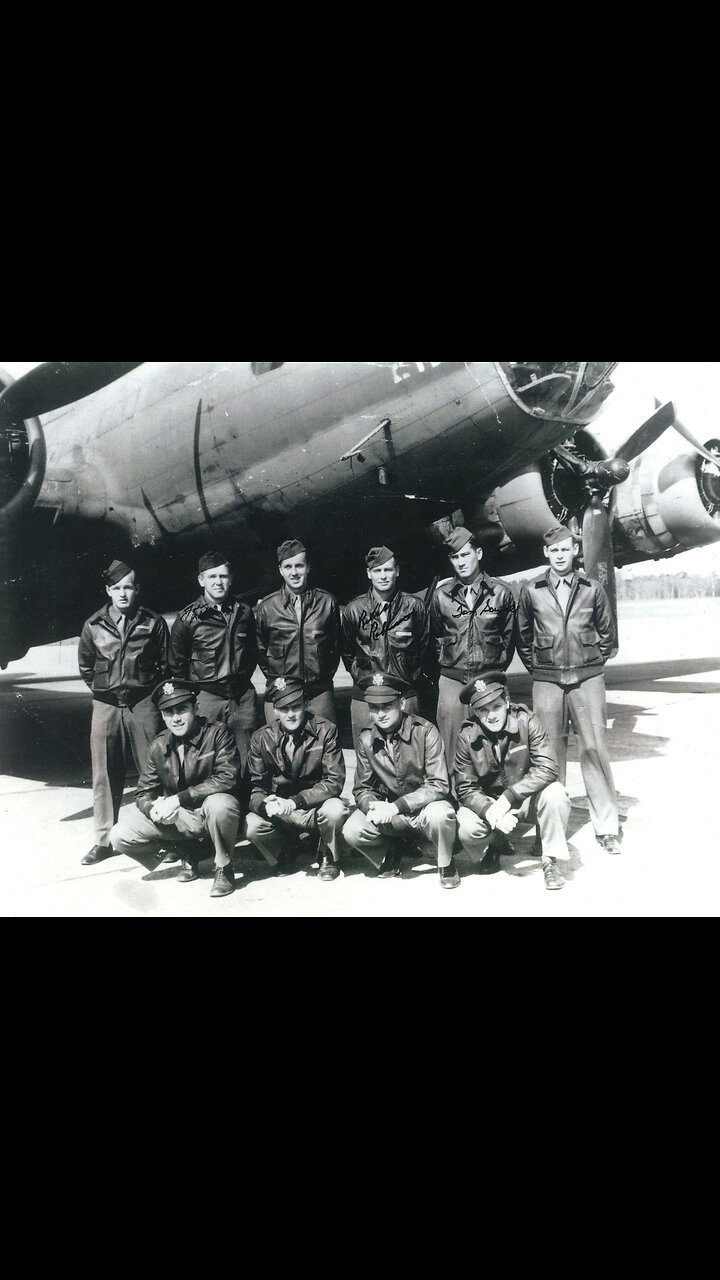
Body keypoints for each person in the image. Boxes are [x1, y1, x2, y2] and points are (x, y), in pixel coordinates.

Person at [516, 525, 621, 856]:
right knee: (548, 756)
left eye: (566, 549)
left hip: (587, 679)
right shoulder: (531, 590)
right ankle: (549, 829)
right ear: (546, 554)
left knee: (594, 749)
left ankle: (607, 827)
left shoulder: (592, 588)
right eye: (554, 550)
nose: (561, 555)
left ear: (574, 551)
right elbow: (523, 637)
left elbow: (608, 635)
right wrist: (543, 668)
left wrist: (587, 662)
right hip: (547, 681)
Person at [109, 681, 242, 898]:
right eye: (168, 712)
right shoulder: (159, 744)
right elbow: (143, 792)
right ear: (162, 716)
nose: (176, 718)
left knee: (221, 804)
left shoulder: (217, 733)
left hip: (210, 811)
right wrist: (153, 810)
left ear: (195, 707)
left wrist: (178, 799)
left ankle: (223, 867)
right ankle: (186, 851)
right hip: (181, 817)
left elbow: (228, 777)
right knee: (120, 835)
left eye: (182, 709)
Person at [78, 560, 169, 867]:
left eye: (128, 587)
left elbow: (165, 666)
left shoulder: (153, 623)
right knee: (103, 773)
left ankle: (165, 835)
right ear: (108, 591)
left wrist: (144, 693)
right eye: (117, 588)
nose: (123, 594)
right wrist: (106, 691)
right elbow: (86, 667)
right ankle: (104, 840)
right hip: (105, 705)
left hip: (143, 704)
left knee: (155, 770)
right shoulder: (93, 625)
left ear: (137, 589)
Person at [454, 674, 572, 892]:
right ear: (475, 712)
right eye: (483, 710)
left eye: (496, 707)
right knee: (466, 826)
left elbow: (548, 767)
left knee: (556, 794)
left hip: (526, 799)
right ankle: (496, 844)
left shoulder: (527, 721)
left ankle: (550, 860)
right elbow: (464, 786)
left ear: (507, 702)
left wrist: (509, 797)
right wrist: (490, 809)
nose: (490, 716)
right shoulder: (467, 735)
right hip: (491, 805)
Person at [342, 674, 460, 889]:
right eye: (374, 708)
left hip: (423, 809)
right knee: (353, 829)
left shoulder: (425, 731)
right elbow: (362, 788)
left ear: (402, 703)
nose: (380, 714)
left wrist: (396, 807)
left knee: (441, 814)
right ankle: (390, 851)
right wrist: (373, 806)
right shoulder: (366, 738)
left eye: (387, 706)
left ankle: (446, 862)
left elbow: (439, 784)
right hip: (390, 814)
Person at [428, 527, 517, 771]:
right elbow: (435, 638)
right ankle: (456, 800)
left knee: (495, 740)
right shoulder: (440, 596)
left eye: (465, 555)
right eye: (455, 557)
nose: (461, 562)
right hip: (453, 681)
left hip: (488, 680)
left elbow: (508, 639)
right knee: (452, 740)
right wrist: (452, 664)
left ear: (478, 553)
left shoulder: (501, 593)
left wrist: (492, 669)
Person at [245, 677, 348, 881]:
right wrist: (265, 803)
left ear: (306, 704)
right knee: (252, 824)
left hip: (313, 806)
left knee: (335, 809)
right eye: (283, 709)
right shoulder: (260, 738)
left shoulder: (325, 730)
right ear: (275, 710)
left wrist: (296, 802)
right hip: (282, 812)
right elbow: (255, 787)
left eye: (296, 707)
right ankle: (286, 849)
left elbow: (334, 780)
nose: (290, 714)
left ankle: (326, 854)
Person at [169, 552, 260, 771]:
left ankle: (246, 801)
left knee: (246, 756)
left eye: (223, 576)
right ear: (201, 580)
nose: (218, 582)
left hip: (241, 697)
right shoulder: (188, 617)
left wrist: (241, 682)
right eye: (212, 577)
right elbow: (177, 664)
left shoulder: (244, 612)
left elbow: (253, 652)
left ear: (230, 579)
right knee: (207, 757)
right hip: (207, 697)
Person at [341, 546, 431, 752]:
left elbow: (424, 650)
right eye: (377, 570)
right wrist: (363, 677)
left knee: (411, 756)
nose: (383, 576)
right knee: (368, 760)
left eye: (388, 570)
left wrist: (409, 678)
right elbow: (346, 651)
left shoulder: (414, 607)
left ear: (397, 571)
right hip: (366, 695)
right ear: (368, 573)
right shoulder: (354, 609)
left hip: (405, 694)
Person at [255, 540, 341, 726]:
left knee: (325, 745)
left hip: (319, 694)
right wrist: (279, 679)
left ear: (308, 567)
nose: (294, 572)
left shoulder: (327, 603)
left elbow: (335, 647)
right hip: (283, 693)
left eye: (299, 566)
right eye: (288, 567)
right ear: (280, 570)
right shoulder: (267, 608)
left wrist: (321, 678)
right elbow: (261, 652)